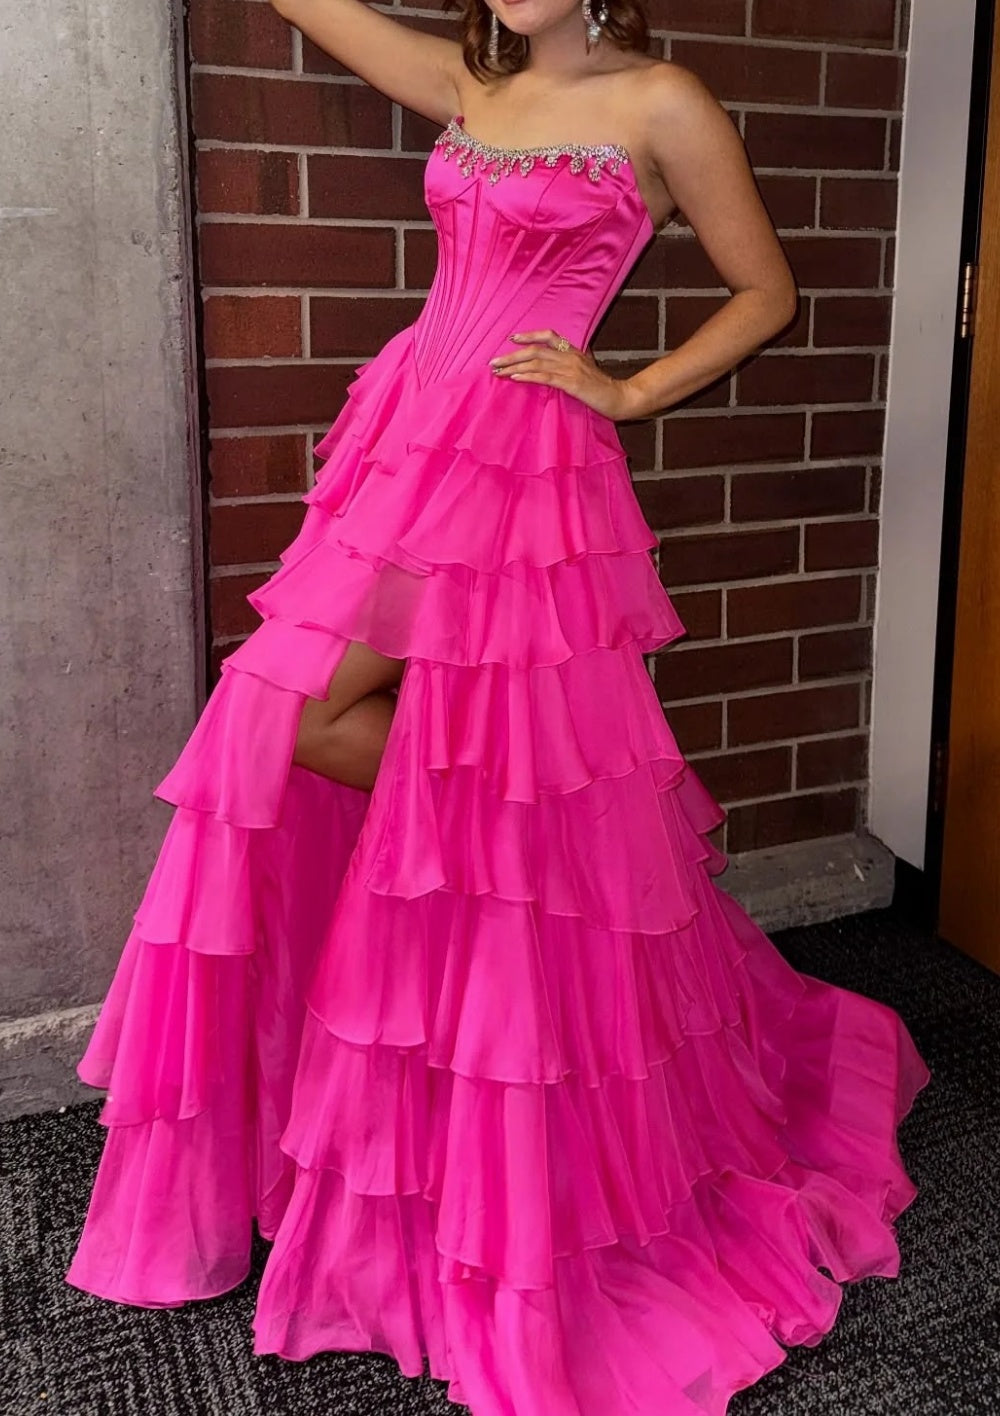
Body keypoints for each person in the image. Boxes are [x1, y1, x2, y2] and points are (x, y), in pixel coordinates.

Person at [66, 0, 931, 1411]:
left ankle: (528, 989)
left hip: (529, 463)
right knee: (288, 717)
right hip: (412, 434)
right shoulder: (466, 77)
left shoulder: (662, 100)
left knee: (395, 734)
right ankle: (520, 902)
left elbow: (765, 290)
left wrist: (628, 390)